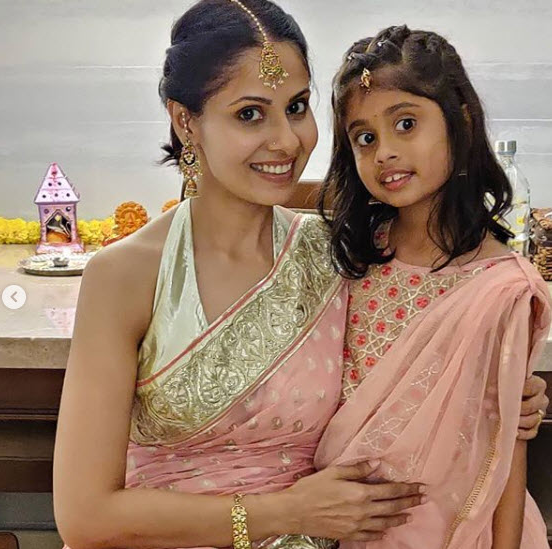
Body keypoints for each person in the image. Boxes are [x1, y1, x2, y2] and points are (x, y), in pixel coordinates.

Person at [53, 3, 548, 548]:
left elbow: (425, 351)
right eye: (249, 114)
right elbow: (85, 517)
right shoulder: (124, 276)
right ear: (185, 121)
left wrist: (502, 395)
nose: (287, 141)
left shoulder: (337, 253)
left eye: (296, 107)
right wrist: (285, 512)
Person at [315, 25, 551, 549]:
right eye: (364, 137)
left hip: (457, 528)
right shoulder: (349, 257)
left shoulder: (501, 287)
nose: (384, 152)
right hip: (340, 523)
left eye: (406, 124)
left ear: (460, 122)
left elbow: (505, 452)